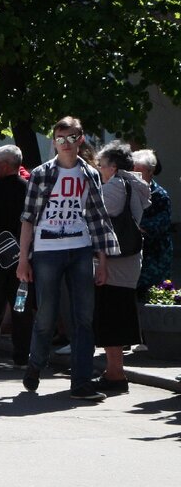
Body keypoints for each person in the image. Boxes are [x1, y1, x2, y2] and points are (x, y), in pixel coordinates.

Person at [16, 117, 120, 401]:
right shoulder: (41, 174)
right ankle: (35, 365)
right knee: (47, 317)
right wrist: (23, 259)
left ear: (81, 139)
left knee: (84, 318)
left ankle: (81, 383)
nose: (65, 144)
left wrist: (102, 259)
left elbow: (98, 218)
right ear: (54, 141)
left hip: (81, 249)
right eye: (60, 139)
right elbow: (28, 219)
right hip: (47, 251)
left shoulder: (90, 174)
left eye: (71, 138)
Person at [93, 141, 150, 394]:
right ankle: (114, 371)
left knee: (112, 317)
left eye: (101, 164)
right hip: (126, 259)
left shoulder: (116, 186)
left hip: (116, 261)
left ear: (113, 167)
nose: (98, 169)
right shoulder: (133, 183)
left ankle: (116, 374)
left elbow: (96, 215)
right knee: (116, 315)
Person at [0, 145, 32, 369]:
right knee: (21, 308)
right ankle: (21, 357)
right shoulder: (28, 189)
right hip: (22, 261)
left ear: (5, 165)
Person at [133, 149, 172, 297]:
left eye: (139, 172)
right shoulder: (128, 192)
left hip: (155, 257)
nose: (135, 176)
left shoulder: (160, 195)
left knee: (153, 295)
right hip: (134, 256)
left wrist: (135, 226)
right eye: (133, 171)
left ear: (150, 172)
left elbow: (159, 225)